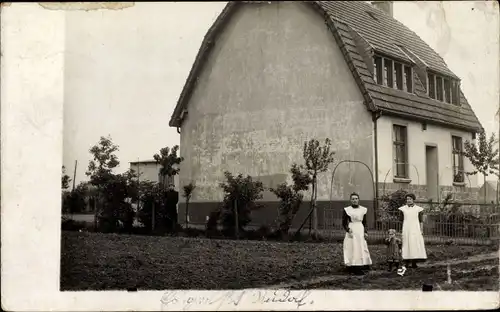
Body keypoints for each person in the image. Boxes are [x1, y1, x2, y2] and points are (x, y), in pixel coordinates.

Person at [342, 192, 372, 275]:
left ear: (358, 200)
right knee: (352, 247)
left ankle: (363, 264)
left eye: (356, 199)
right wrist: (348, 230)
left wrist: (365, 231)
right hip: (352, 229)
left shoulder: (363, 209)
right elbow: (344, 222)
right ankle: (352, 266)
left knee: (361, 247)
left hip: (360, 229)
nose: (354, 200)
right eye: (353, 199)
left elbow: (365, 222)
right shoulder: (347, 209)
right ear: (350, 200)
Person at [398, 193, 427, 268]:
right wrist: (401, 230)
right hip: (406, 228)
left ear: (413, 200)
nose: (408, 200)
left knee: (414, 244)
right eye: (407, 199)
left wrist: (421, 230)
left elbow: (421, 221)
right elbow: (401, 220)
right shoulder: (403, 209)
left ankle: (414, 263)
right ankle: (406, 262)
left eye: (410, 199)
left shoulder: (418, 209)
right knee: (406, 244)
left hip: (415, 228)